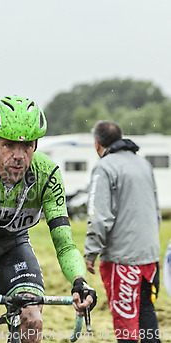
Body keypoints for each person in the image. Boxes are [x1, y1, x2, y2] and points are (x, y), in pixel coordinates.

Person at [0, 96, 96, 343]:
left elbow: (65, 245)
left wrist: (80, 282)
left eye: (27, 147)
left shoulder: (47, 174)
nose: (19, 156)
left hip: (11, 247)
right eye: (10, 145)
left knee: (32, 319)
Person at [84, 120, 161, 343]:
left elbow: (99, 215)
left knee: (125, 321)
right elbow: (155, 212)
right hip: (149, 257)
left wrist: (90, 253)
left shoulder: (104, 167)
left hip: (122, 260)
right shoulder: (144, 164)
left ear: (97, 144)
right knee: (146, 312)